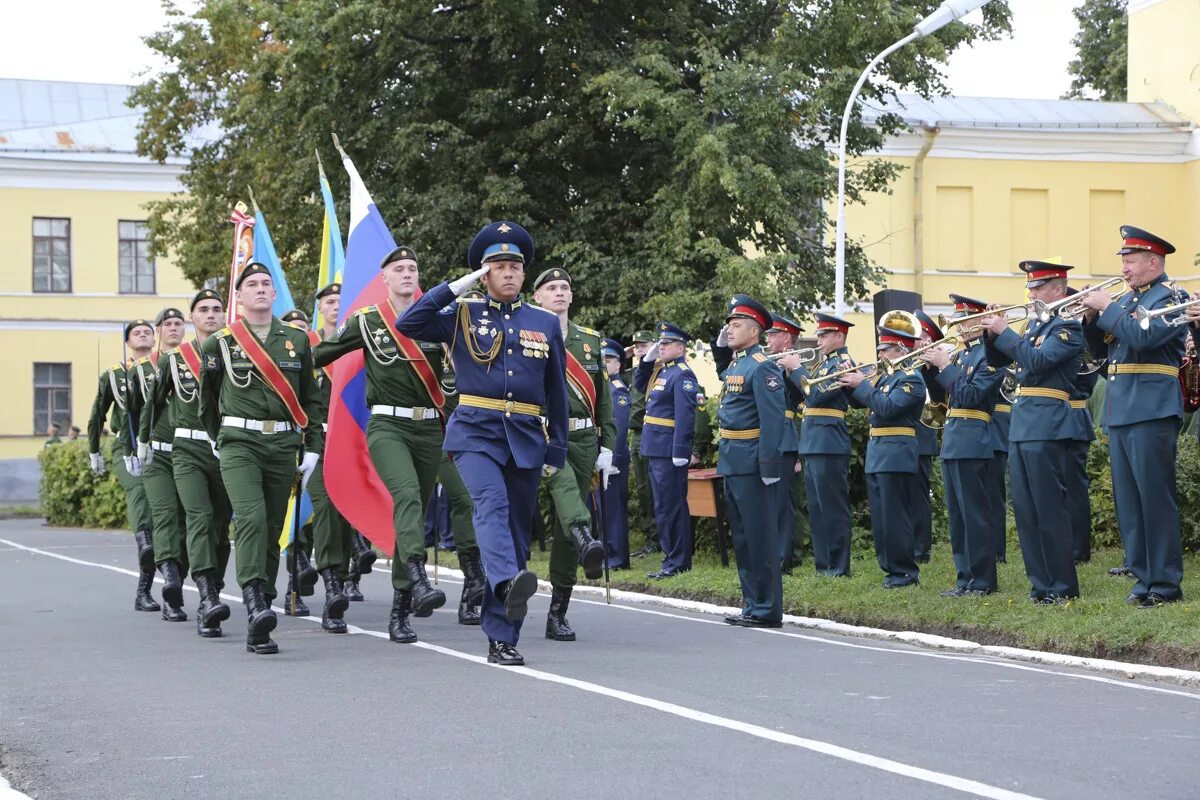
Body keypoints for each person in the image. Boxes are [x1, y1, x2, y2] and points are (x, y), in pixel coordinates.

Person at [395, 221, 568, 666]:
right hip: (474, 432)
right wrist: (457, 286)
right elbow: (408, 322)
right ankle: (508, 580)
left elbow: (556, 392)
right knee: (490, 506)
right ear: (485, 274)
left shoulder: (544, 322)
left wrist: (558, 447)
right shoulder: (463, 313)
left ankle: (501, 637)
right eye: (498, 267)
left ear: (524, 275)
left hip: (527, 436)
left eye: (515, 266)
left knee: (515, 536)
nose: (508, 273)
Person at [316, 246, 487, 641]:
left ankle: (401, 610)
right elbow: (324, 354)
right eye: (399, 268)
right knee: (407, 496)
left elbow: (457, 373)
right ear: (385, 279)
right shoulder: (368, 320)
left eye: (413, 267)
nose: (407, 273)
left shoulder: (438, 321)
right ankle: (417, 574)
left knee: (415, 509)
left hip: (430, 428)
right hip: (387, 426)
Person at [200, 262, 324, 654]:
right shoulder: (219, 343)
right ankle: (254, 599)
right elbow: (207, 400)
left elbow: (310, 397)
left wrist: (314, 445)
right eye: (251, 284)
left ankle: (262, 614)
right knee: (251, 518)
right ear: (239, 296)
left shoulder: (296, 341)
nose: (259, 289)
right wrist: (218, 438)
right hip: (239, 442)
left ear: (274, 295)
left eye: (265, 284)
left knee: (271, 528)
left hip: (283, 445)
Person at [1081, 227, 1188, 607]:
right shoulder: (1128, 300)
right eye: (1123, 260)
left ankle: (1164, 583)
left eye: (1130, 260)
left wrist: (1107, 309)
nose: (1124, 267)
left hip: (1152, 407)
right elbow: (1099, 354)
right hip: (1124, 408)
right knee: (1130, 500)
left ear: (1153, 262)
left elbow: (1143, 339)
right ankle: (1142, 577)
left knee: (1154, 498)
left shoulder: (1171, 298)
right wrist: (1093, 319)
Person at [983, 261, 1083, 604]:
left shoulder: (1067, 328)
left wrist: (1006, 333)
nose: (1032, 293)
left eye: (1038, 287)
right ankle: (1040, 584)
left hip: (1047, 422)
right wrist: (993, 334)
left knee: (1049, 507)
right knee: (1025, 510)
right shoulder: (1033, 328)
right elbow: (999, 364)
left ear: (1058, 288)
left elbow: (1038, 363)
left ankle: (1062, 586)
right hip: (1023, 422)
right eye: (1031, 287)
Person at [530, 268, 615, 642]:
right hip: (542, 434)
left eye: (565, 288)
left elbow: (605, 398)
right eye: (552, 288)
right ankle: (586, 537)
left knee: (566, 525)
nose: (560, 293)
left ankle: (558, 613)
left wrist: (608, 444)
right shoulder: (527, 335)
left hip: (582, 438)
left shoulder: (590, 341)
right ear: (538, 297)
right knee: (563, 493)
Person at [143, 290, 233, 637]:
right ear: (192, 318)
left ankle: (213, 586)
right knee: (197, 517)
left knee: (221, 528)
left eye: (216, 309)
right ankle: (206, 596)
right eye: (202, 310)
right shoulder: (175, 360)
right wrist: (143, 443)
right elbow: (153, 404)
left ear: (225, 315)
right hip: (187, 449)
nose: (210, 315)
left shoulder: (235, 352)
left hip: (228, 450)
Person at [921, 295, 1005, 596]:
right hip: (954, 438)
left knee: (975, 515)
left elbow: (970, 397)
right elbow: (942, 402)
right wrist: (930, 369)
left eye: (966, 318)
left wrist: (945, 364)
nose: (960, 325)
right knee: (957, 518)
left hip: (975, 437)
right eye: (958, 318)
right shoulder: (959, 356)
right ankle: (964, 578)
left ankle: (982, 581)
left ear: (982, 320)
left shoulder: (991, 356)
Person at [717, 295, 793, 627]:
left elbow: (773, 420)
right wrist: (722, 344)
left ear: (754, 331)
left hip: (752, 463)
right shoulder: (738, 363)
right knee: (744, 538)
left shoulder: (762, 365)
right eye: (728, 325)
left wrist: (770, 466)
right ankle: (752, 603)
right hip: (733, 460)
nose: (728, 330)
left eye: (735, 326)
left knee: (761, 538)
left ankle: (767, 608)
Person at [839, 312, 926, 588]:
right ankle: (890, 569)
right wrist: (849, 384)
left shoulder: (911, 379)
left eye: (885, 349)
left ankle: (904, 572)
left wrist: (863, 385)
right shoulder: (886, 378)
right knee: (881, 518)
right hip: (879, 452)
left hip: (897, 452)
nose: (881, 354)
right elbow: (864, 403)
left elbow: (887, 408)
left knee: (895, 516)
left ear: (901, 349)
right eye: (880, 349)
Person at [88, 319, 159, 613]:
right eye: (136, 333)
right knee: (140, 496)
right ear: (128, 341)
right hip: (127, 448)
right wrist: (94, 451)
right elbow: (97, 415)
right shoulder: (115, 375)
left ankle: (160, 579)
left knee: (165, 517)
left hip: (162, 447)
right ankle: (144, 551)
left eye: (147, 332)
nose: (142, 335)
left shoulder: (165, 368)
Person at [132, 307, 189, 622]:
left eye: (178, 324)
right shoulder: (144, 368)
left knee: (185, 522)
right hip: (156, 452)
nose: (173, 329)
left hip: (190, 450)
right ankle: (169, 582)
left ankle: (175, 580)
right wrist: (134, 449)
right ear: (158, 331)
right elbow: (132, 413)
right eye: (167, 324)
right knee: (164, 517)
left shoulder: (194, 361)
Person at [634, 321, 698, 579]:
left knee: (672, 506)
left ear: (680, 347)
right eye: (660, 343)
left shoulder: (682, 374)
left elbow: (685, 416)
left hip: (669, 449)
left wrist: (681, 450)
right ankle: (670, 556)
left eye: (666, 343)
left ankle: (678, 560)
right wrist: (647, 361)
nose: (661, 347)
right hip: (656, 447)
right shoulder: (663, 371)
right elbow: (640, 385)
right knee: (661, 505)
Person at [798, 314, 856, 577]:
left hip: (829, 442)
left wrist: (795, 370)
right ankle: (824, 565)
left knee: (833, 507)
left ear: (839, 337)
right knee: (818, 508)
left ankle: (839, 566)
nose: (819, 340)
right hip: (814, 441)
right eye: (819, 335)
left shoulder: (843, 364)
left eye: (824, 335)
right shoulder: (823, 366)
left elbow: (818, 395)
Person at [767, 314, 811, 573]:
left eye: (773, 334)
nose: (768, 338)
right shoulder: (766, 363)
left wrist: (792, 369)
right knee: (769, 503)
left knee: (784, 504)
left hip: (784, 436)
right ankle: (773, 554)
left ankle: (785, 560)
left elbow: (805, 395)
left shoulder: (795, 365)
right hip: (766, 436)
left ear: (786, 338)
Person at [1064, 288, 1099, 565]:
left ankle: (1078, 548)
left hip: (1072, 415)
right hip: (1054, 417)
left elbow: (1085, 381)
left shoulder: (1081, 336)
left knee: (1074, 486)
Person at [912, 311, 944, 563]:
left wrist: (929, 367)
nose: (916, 340)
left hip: (922, 436)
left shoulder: (931, 368)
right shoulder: (905, 362)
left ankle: (921, 550)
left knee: (919, 495)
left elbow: (937, 399)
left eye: (921, 335)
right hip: (901, 435)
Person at [626, 330, 658, 556]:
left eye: (643, 345)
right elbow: (609, 370)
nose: (638, 349)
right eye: (636, 346)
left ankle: (659, 537)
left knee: (654, 487)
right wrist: (623, 353)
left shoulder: (658, 371)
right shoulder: (635, 373)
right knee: (642, 489)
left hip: (651, 432)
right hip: (636, 435)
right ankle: (650, 537)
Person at [601, 337, 632, 570]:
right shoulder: (603, 387)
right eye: (601, 360)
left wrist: (612, 457)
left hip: (614, 458)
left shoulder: (617, 390)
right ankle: (606, 553)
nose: (604, 363)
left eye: (609, 360)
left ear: (618, 364)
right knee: (603, 509)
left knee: (614, 510)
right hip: (602, 456)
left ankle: (617, 558)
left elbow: (620, 429)